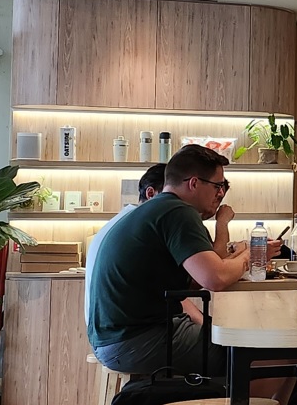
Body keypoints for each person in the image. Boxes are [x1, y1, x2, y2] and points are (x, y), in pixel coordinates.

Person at [87, 147, 249, 374]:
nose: (220, 194)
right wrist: (251, 254)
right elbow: (215, 278)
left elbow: (195, 280)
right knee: (253, 349)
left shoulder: (155, 209)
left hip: (116, 337)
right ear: (194, 183)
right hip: (132, 341)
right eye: (217, 186)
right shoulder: (178, 212)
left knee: (238, 339)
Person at [84, 164, 167, 327]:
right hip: (120, 334)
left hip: (106, 329)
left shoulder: (126, 220)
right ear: (151, 193)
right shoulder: (142, 227)